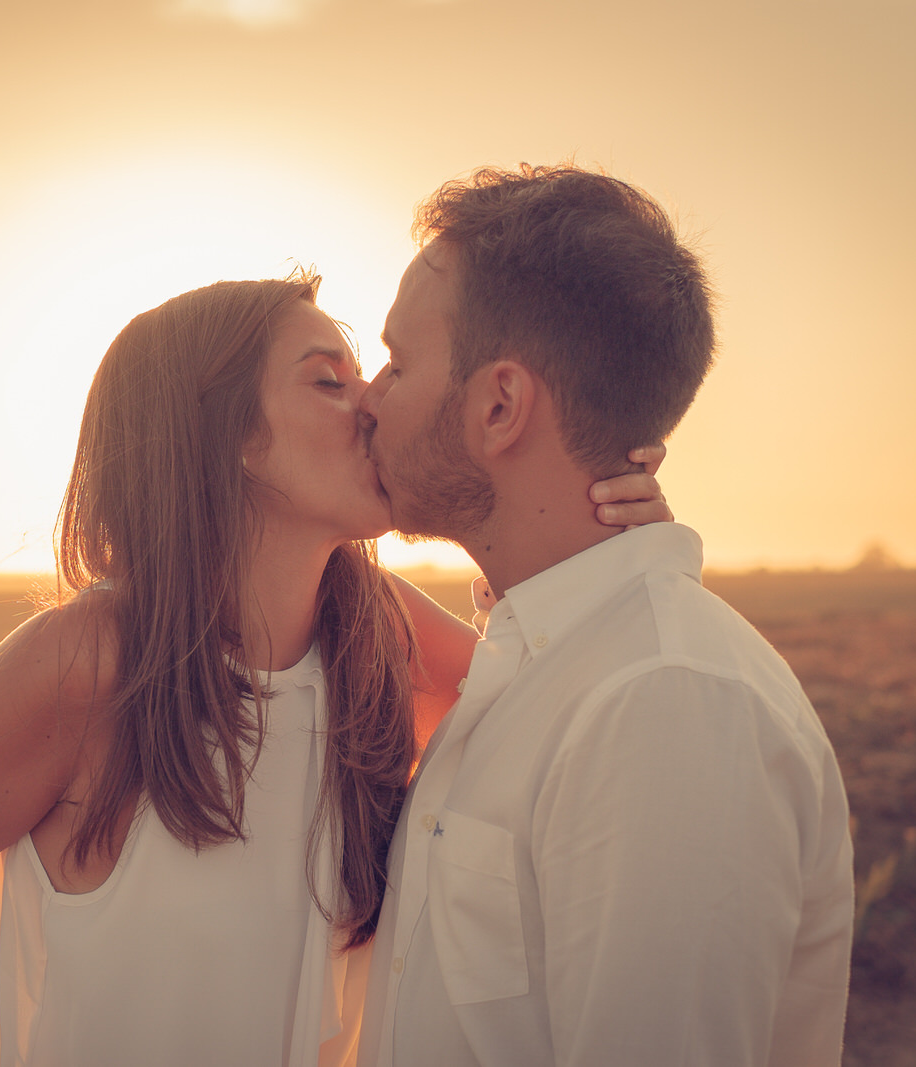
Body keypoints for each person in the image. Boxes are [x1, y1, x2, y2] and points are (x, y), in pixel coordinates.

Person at [0, 272, 670, 1066]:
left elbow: (558, 715)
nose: (372, 403)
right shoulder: (90, 662)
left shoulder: (378, 631)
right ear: (228, 437)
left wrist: (597, 538)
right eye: (329, 380)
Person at [355, 163, 855, 1067]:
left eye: (397, 361)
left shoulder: (665, 703)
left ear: (499, 405)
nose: (367, 396)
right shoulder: (537, 664)